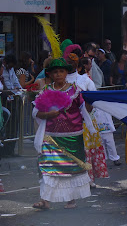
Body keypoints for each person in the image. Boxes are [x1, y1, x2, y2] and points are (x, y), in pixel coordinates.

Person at [31, 58, 93, 210]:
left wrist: (93, 100)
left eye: (61, 71)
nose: (58, 74)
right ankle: (45, 200)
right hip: (51, 136)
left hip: (73, 135)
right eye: (55, 72)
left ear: (66, 73)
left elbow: (86, 110)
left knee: (71, 168)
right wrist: (48, 114)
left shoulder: (76, 90)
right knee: (47, 167)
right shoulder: (46, 91)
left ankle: (71, 199)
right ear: (50, 74)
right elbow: (36, 113)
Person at [64, 43, 109, 187]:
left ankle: (87, 178)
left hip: (84, 122)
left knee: (84, 150)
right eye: (68, 59)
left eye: (73, 59)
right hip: (65, 123)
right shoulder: (61, 81)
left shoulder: (85, 80)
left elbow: (93, 99)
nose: (70, 62)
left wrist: (85, 112)